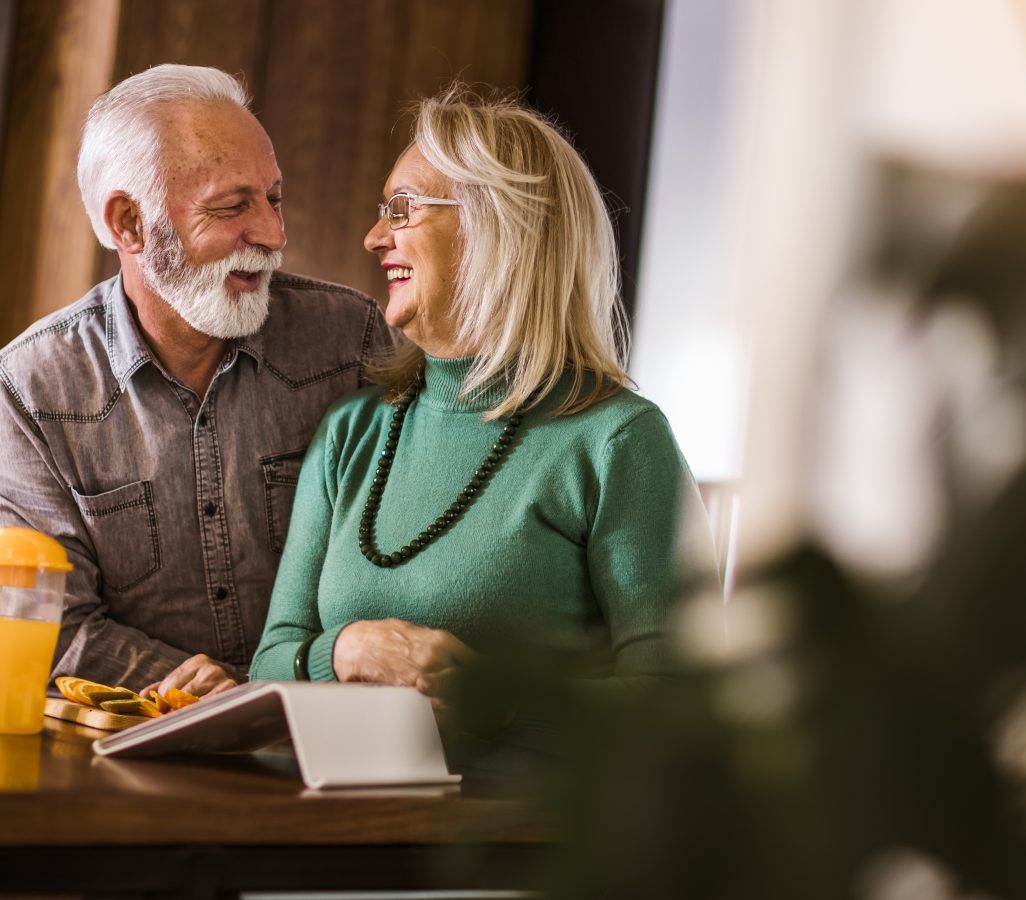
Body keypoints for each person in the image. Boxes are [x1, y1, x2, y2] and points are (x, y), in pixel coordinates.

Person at [250, 89, 710, 704]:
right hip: (328, 795)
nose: (374, 237)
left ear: (496, 226)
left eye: (401, 208)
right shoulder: (349, 433)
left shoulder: (619, 442)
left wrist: (497, 702)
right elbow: (270, 662)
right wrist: (346, 650)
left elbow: (680, 706)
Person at [0, 65, 392, 697]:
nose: (274, 237)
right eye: (231, 207)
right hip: (129, 757)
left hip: (330, 740)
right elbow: (44, 626)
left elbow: (411, 556)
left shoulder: (347, 340)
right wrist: (194, 690)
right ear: (129, 225)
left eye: (274, 199)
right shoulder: (29, 389)